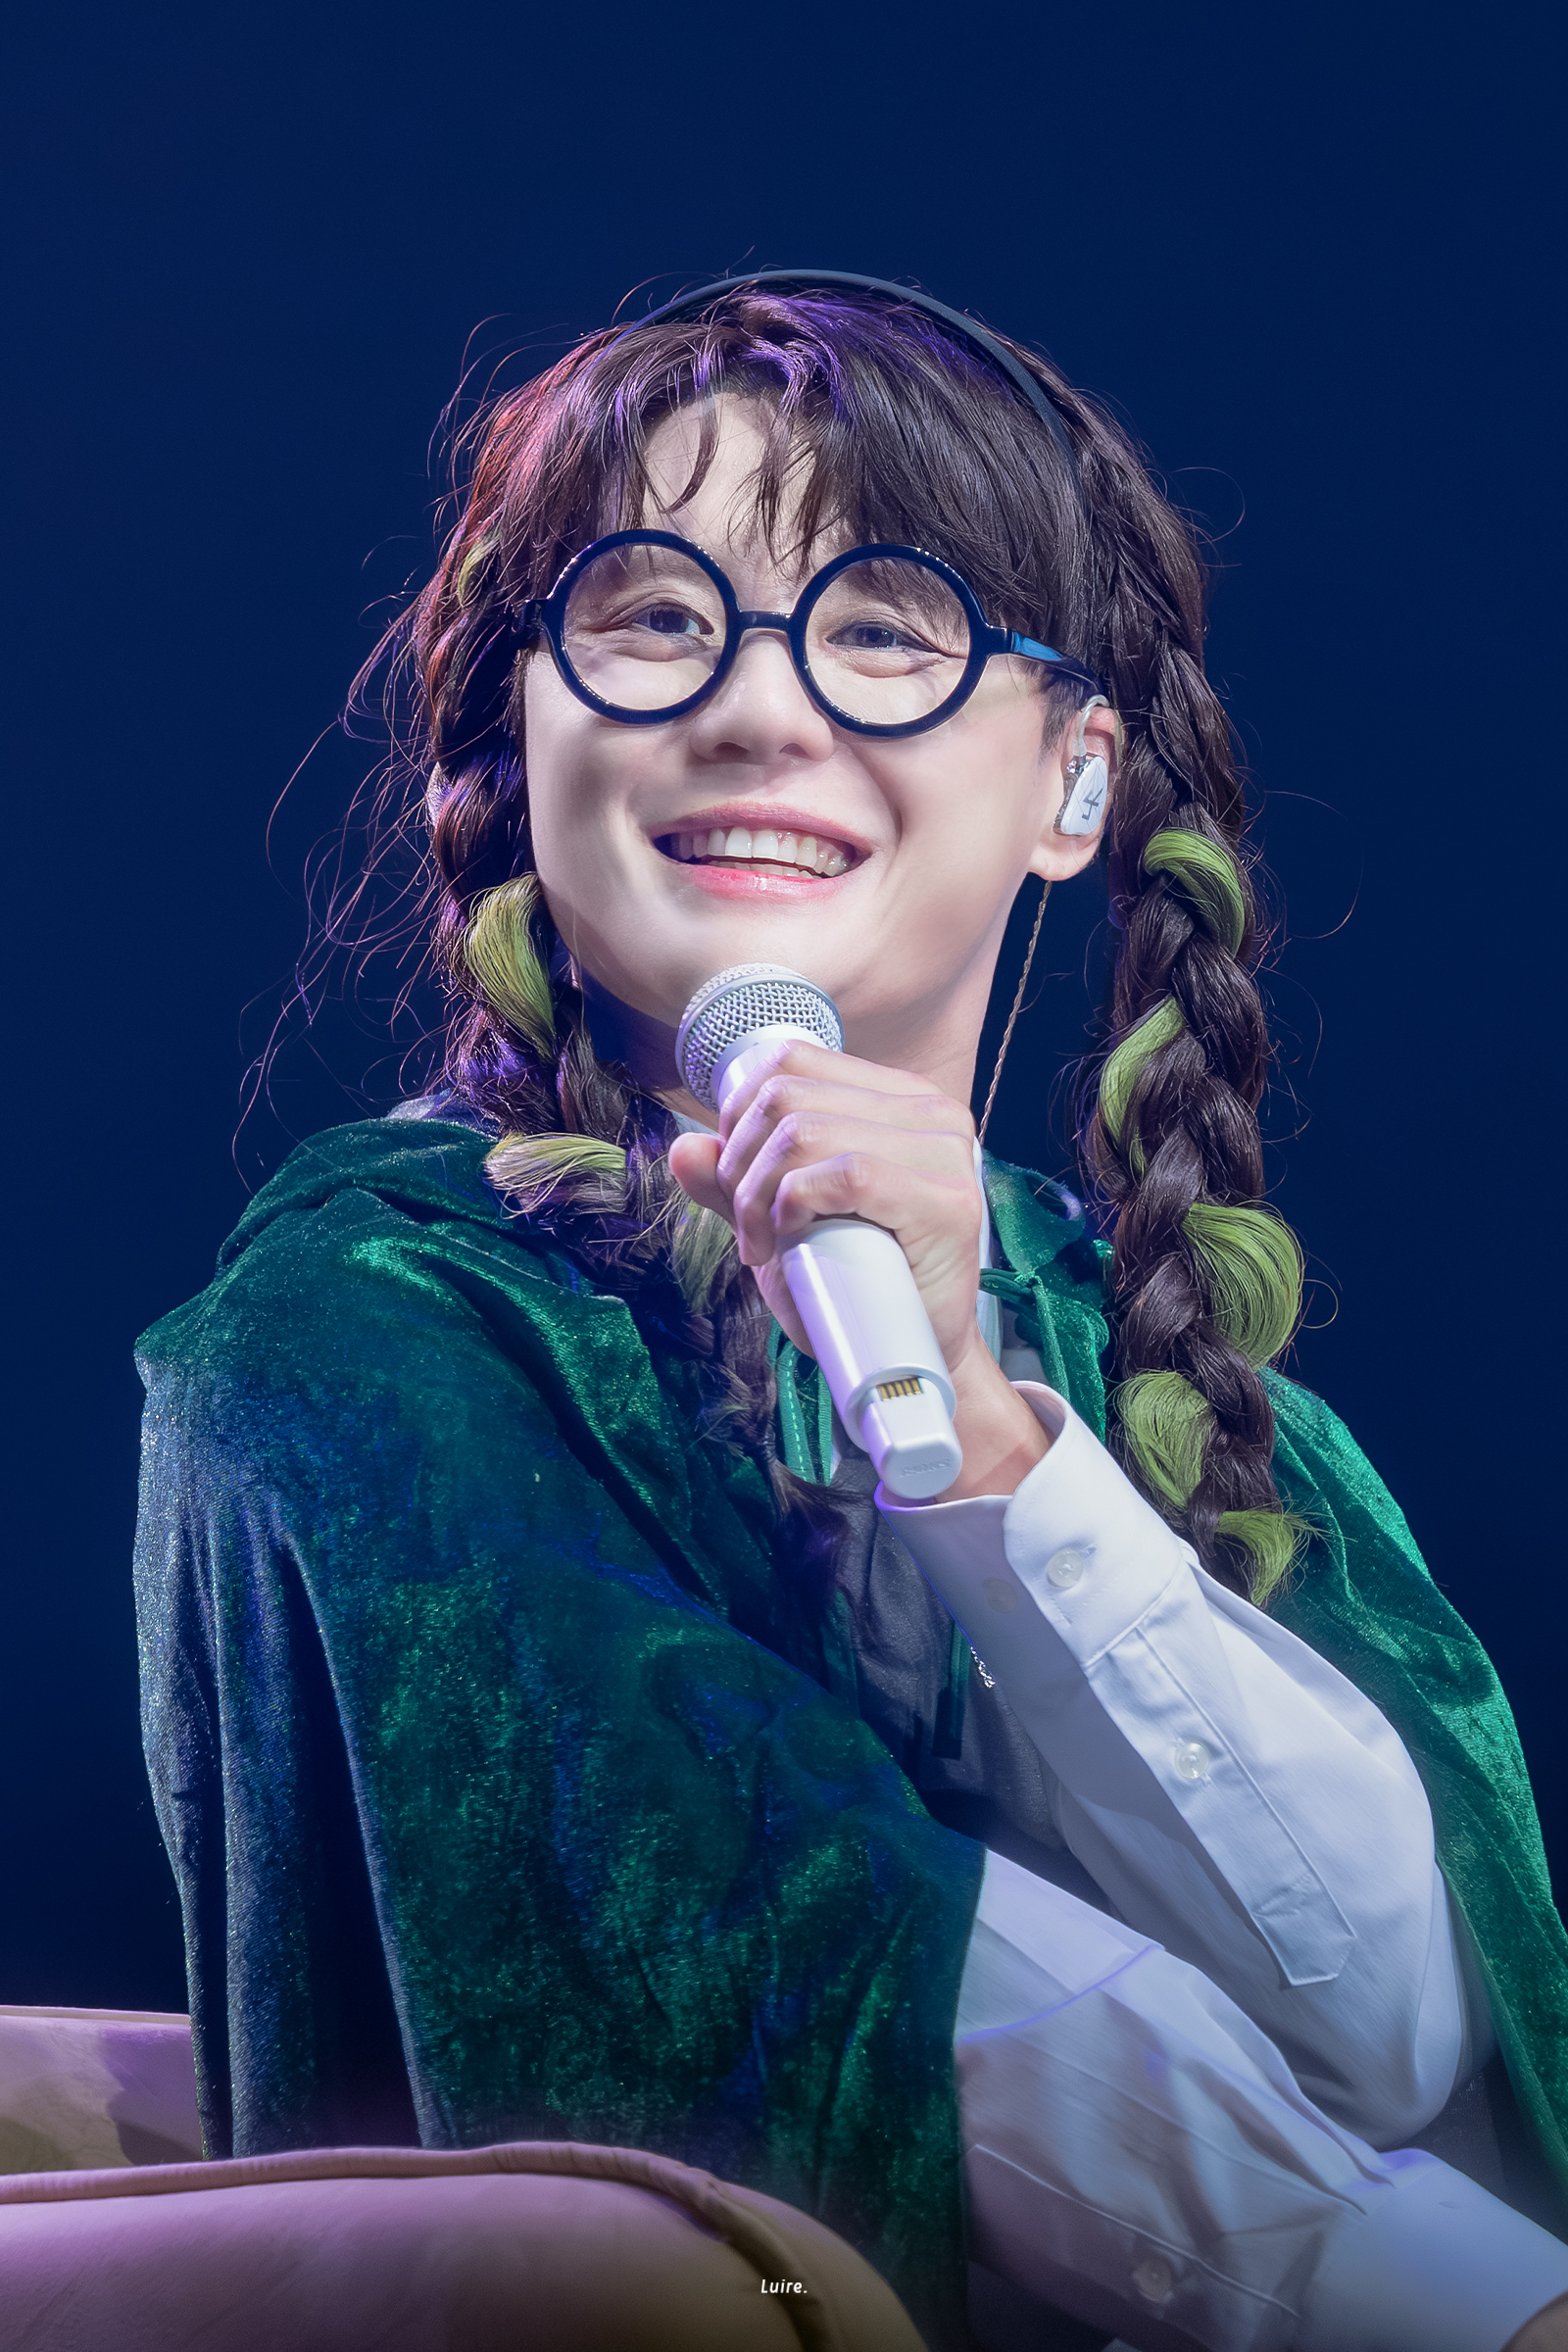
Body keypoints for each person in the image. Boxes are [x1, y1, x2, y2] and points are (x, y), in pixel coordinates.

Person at [133, 275, 1568, 2351]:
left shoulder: (1134, 1358)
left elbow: (1415, 2034)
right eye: (652, 615)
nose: (757, 707)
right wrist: (1472, 2315)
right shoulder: (351, 1342)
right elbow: (782, 1941)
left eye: (887, 627)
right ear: (522, 735)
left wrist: (982, 1441)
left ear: (1075, 785)